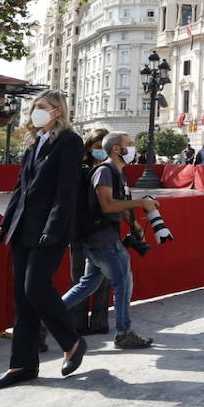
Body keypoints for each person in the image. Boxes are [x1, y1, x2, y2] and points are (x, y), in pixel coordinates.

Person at [0, 90, 88, 389]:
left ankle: (71, 341)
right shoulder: (34, 143)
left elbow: (66, 190)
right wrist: (5, 224)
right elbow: (20, 188)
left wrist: (54, 227)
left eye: (42, 107)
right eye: (35, 107)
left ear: (58, 111)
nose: (36, 111)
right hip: (23, 228)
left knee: (36, 286)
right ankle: (22, 365)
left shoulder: (70, 142)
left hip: (51, 230)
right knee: (23, 298)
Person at [61, 132, 156, 350]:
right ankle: (124, 333)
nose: (133, 148)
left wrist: (136, 225)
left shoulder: (118, 173)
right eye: (130, 144)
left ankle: (46, 318)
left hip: (102, 238)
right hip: (102, 238)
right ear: (116, 149)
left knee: (87, 285)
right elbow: (107, 205)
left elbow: (121, 202)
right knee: (123, 282)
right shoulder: (104, 171)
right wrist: (141, 203)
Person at [67, 128, 112, 336]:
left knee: (103, 278)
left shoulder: (112, 169)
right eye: (97, 147)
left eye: (104, 148)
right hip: (81, 231)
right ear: (88, 148)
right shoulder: (79, 169)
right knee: (79, 279)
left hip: (104, 231)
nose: (101, 151)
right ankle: (78, 324)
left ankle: (100, 322)